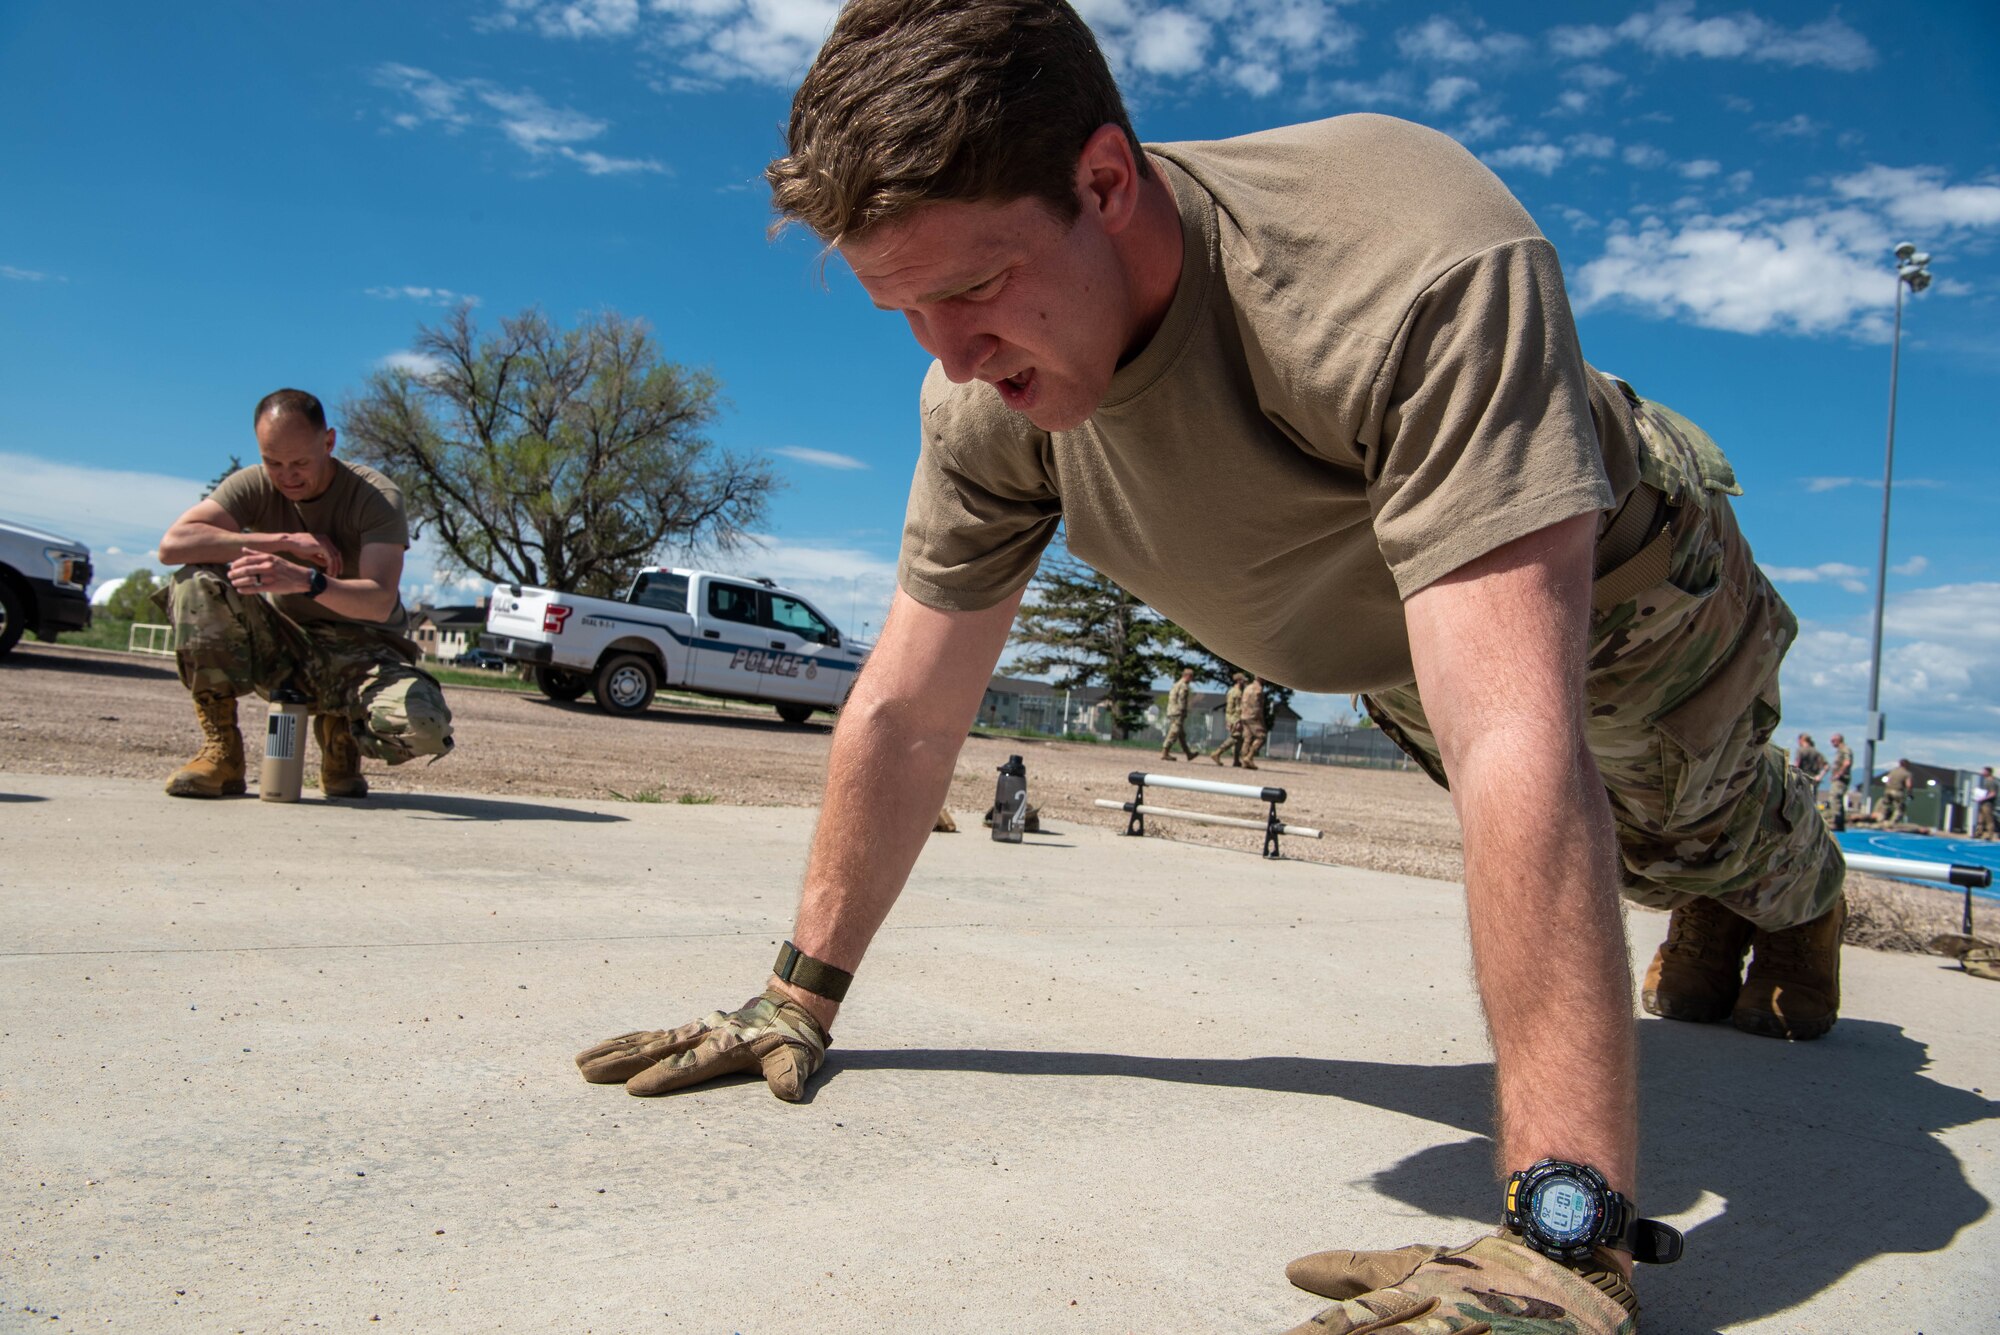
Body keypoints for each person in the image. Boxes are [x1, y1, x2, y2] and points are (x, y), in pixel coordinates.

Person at [573, 3, 1845, 1328]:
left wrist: (1562, 1239)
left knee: (1696, 821)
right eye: (904, 307)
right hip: (1393, 628)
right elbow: (904, 709)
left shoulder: (1406, 262)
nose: (948, 355)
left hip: (1628, 592)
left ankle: (1797, 885)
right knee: (1632, 856)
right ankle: (1720, 890)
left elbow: (1514, 743)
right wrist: (796, 996)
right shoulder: (987, 399)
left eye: (970, 288)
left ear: (1106, 181)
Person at [155, 389, 453, 799]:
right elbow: (173, 545)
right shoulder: (255, 486)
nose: (287, 476)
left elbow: (380, 599)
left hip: (364, 654)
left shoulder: (375, 497)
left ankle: (343, 734)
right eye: (272, 462)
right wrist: (282, 541)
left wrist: (306, 581)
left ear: (329, 442)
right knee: (197, 580)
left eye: (300, 462)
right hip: (286, 648)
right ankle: (221, 751)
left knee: (425, 726)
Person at [1158, 665, 1198, 760]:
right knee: (1174, 731)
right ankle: (1165, 752)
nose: (1191, 679)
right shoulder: (1183, 686)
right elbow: (1182, 699)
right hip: (1177, 712)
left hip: (1172, 710)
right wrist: (1183, 711)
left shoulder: (1176, 684)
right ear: (1187, 676)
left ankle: (1188, 754)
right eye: (1191, 677)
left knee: (1181, 734)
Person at [1208, 671, 1247, 766]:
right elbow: (1230, 708)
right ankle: (1217, 753)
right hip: (1235, 718)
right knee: (1235, 737)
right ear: (1238, 680)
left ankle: (1236, 760)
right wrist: (1232, 720)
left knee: (1239, 739)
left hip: (1237, 718)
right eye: (1242, 680)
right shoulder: (1234, 692)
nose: (1244, 682)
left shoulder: (1239, 691)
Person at [1239, 675, 1269, 771]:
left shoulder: (1248, 687)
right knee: (1261, 736)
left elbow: (1242, 703)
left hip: (1244, 715)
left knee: (1247, 738)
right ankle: (1249, 757)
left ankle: (1244, 760)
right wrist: (1261, 720)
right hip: (1253, 716)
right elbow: (1258, 707)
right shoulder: (1258, 690)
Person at [1826, 732, 1854, 831]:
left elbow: (1847, 763)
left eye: (1833, 741)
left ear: (1838, 740)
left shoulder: (1845, 750)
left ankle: (1837, 822)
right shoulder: (1839, 751)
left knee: (1835, 798)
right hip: (1838, 778)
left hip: (1841, 779)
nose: (1832, 743)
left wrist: (1838, 774)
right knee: (1835, 799)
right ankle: (1839, 823)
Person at [1879, 759, 1914, 825]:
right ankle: (1892, 823)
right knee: (1899, 809)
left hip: (1888, 791)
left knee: (1886, 806)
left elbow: (1887, 780)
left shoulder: (1893, 771)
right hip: (1898, 791)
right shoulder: (1906, 773)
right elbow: (1909, 785)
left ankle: (1881, 819)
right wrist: (1910, 793)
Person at [1974, 766, 1997, 840]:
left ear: (1988, 772)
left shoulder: (1991, 782)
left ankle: (1990, 835)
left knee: (1989, 820)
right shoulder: (1985, 781)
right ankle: (1978, 833)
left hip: (1988, 804)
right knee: (1980, 820)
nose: (1982, 773)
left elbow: (1993, 793)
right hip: (1982, 803)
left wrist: (1983, 798)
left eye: (1984, 771)